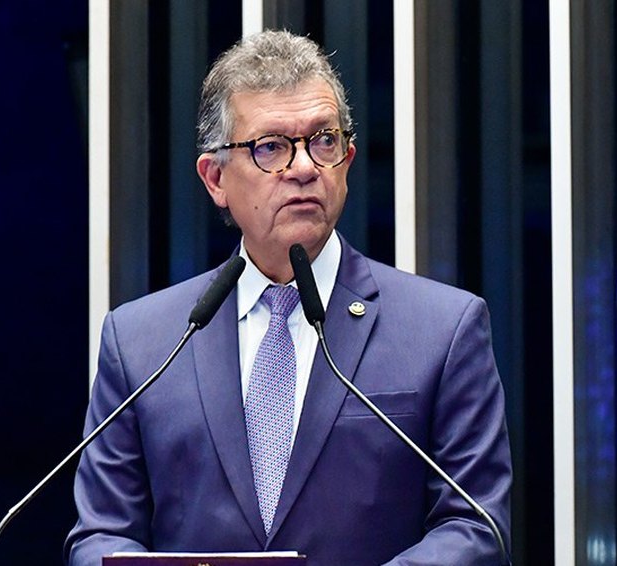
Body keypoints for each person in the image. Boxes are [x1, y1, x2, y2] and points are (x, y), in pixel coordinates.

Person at [66, 30, 512, 566]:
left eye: (323, 141)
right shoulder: (142, 342)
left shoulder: (442, 329)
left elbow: (475, 526)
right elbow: (100, 535)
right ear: (215, 178)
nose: (304, 168)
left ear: (347, 160)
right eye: (271, 147)